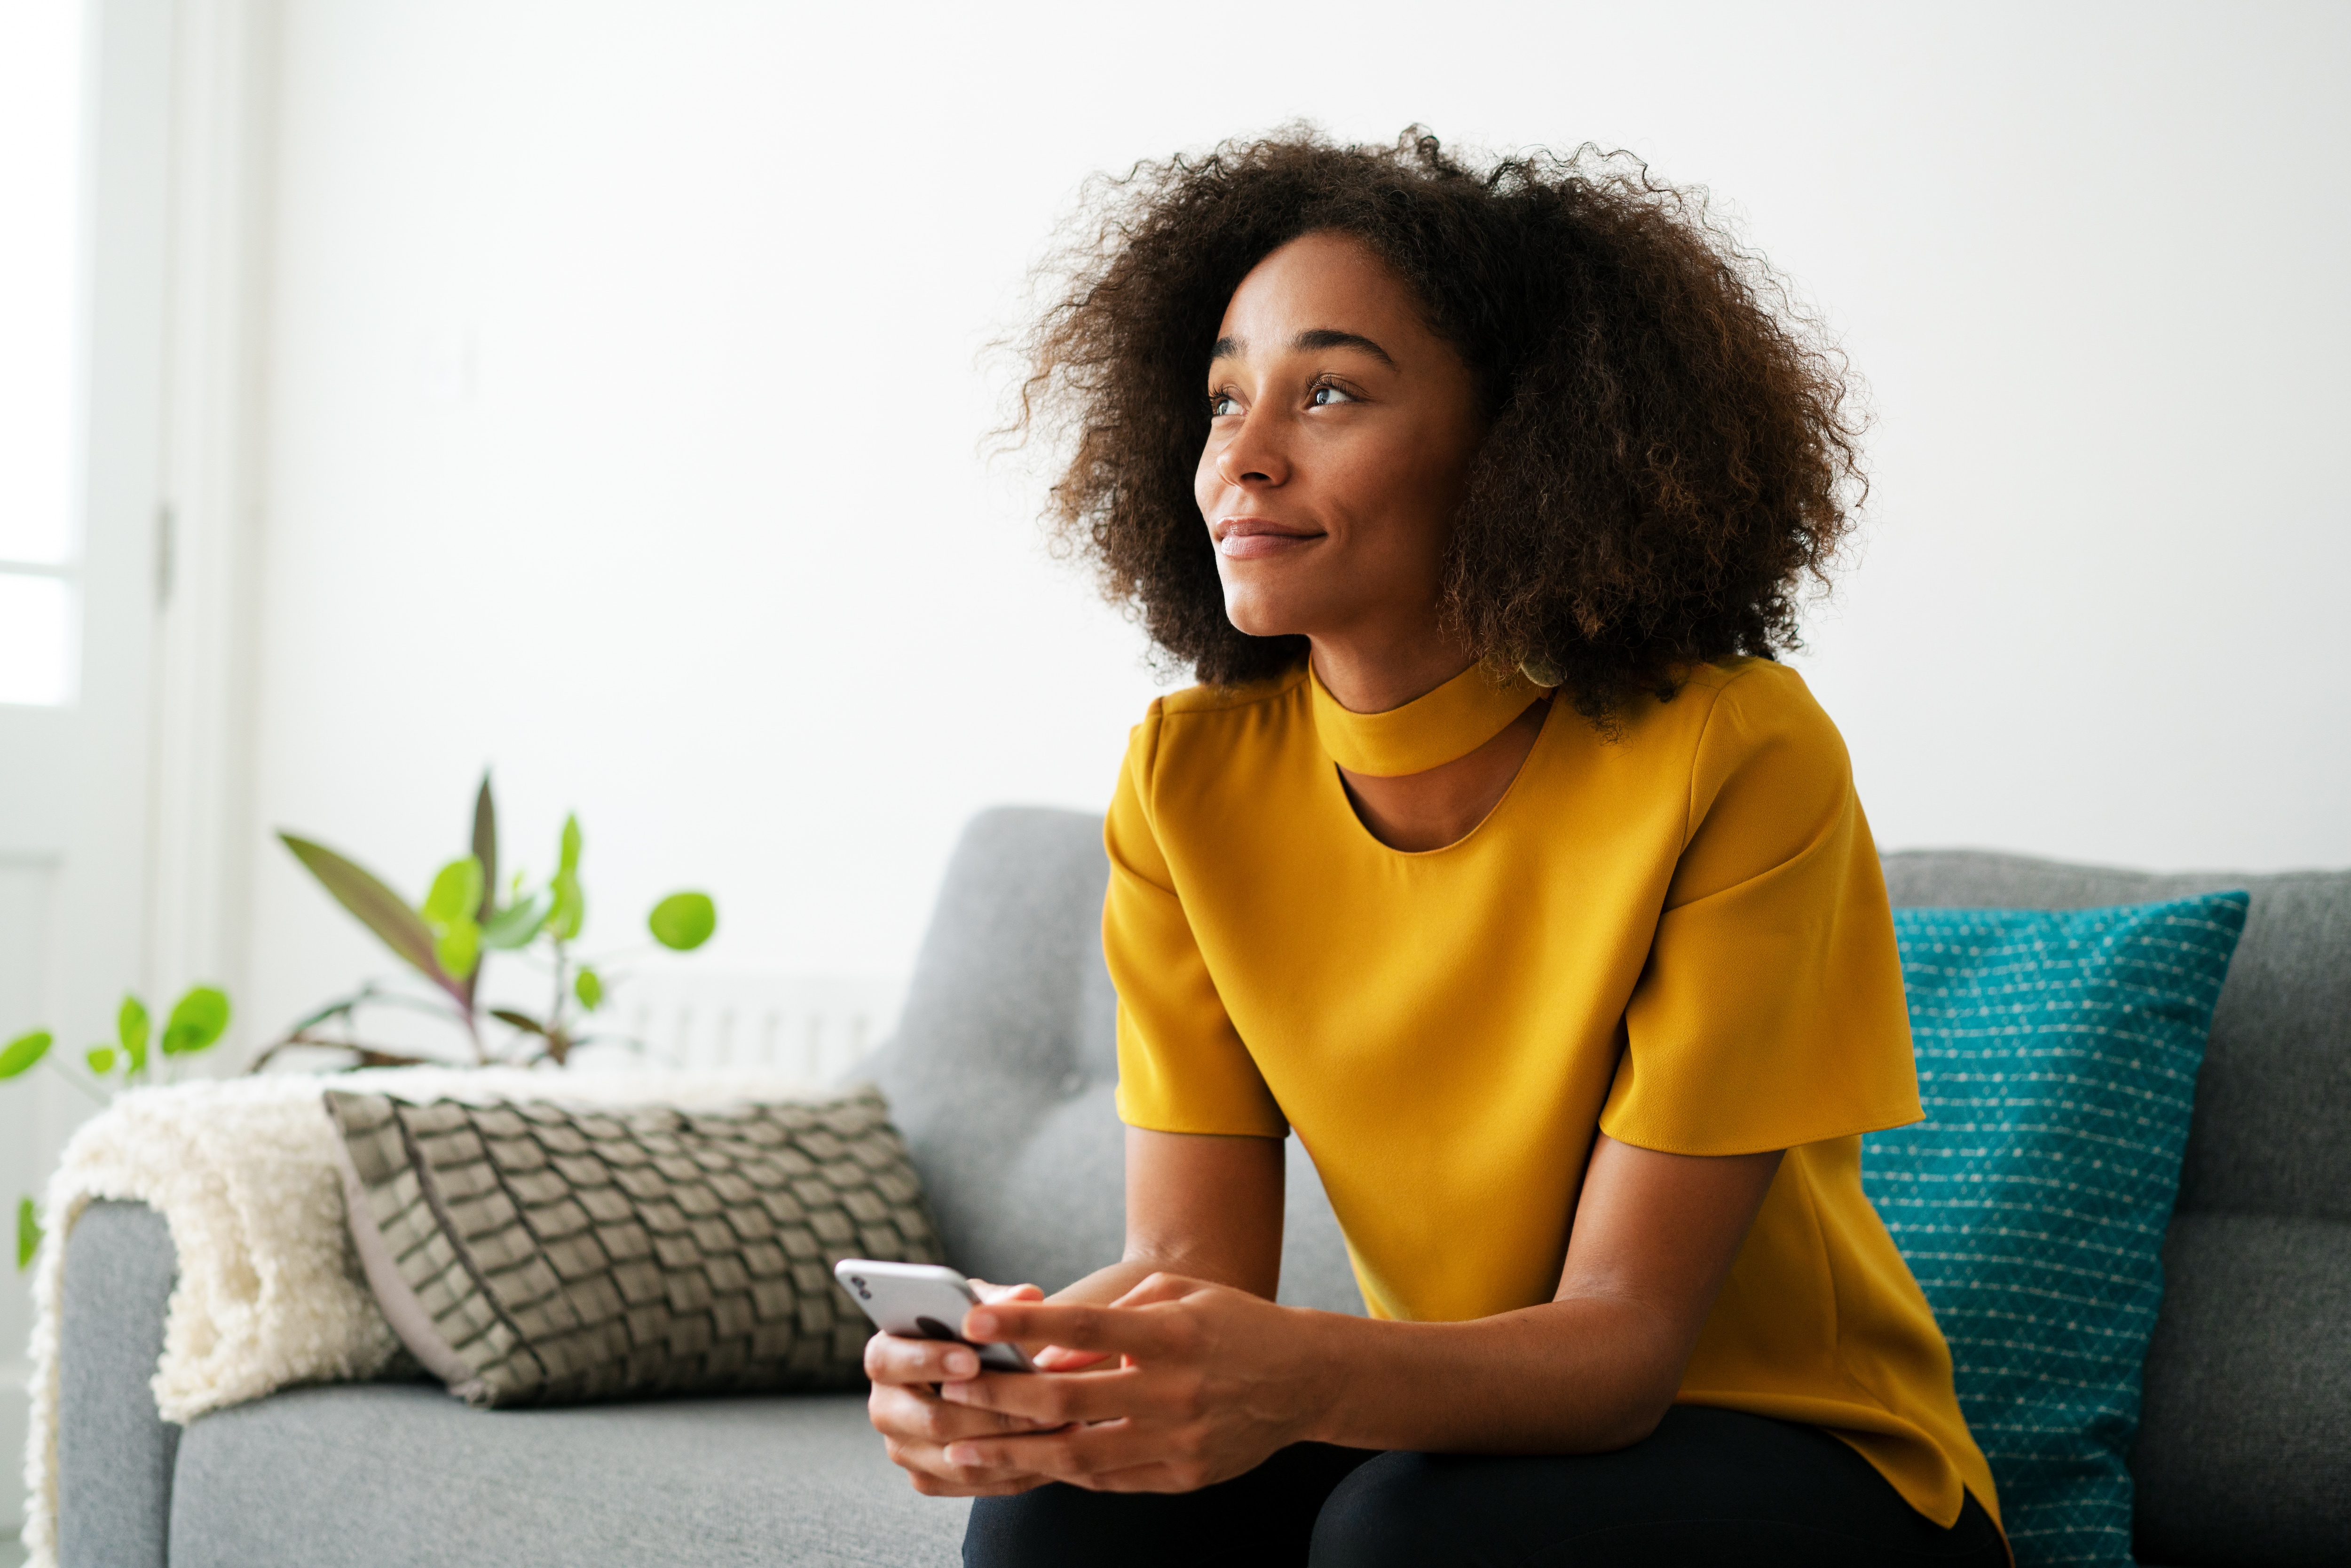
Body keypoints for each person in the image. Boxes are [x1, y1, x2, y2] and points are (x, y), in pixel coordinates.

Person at [863, 128, 2008, 1568]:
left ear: (1523, 438)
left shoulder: (1734, 752)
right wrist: (1023, 1380)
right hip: (1463, 1438)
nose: (1244, 457)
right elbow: (1184, 1273)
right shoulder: (1186, 780)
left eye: (1328, 391)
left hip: (1813, 1461)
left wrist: (1297, 1373)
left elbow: (1623, 1345)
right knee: (1058, 1517)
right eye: (1225, 398)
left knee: (1409, 1533)